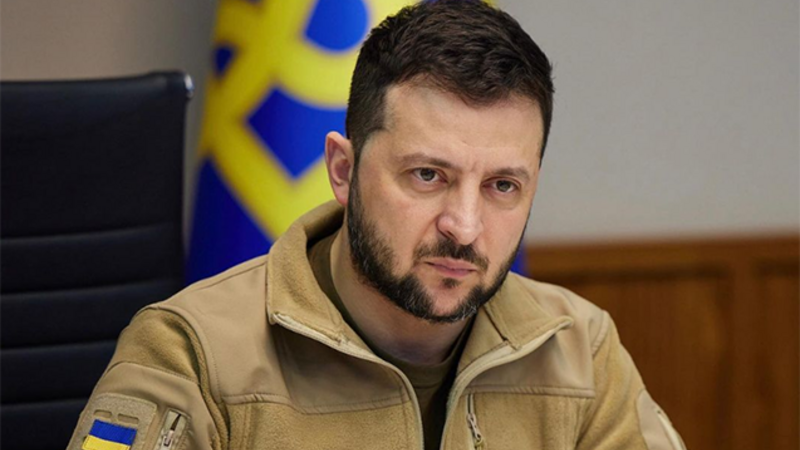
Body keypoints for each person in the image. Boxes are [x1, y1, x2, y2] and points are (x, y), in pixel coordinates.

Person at [68, 1, 685, 449]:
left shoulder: (578, 348)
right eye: (427, 175)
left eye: (502, 186)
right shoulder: (191, 354)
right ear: (344, 170)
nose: (465, 227)